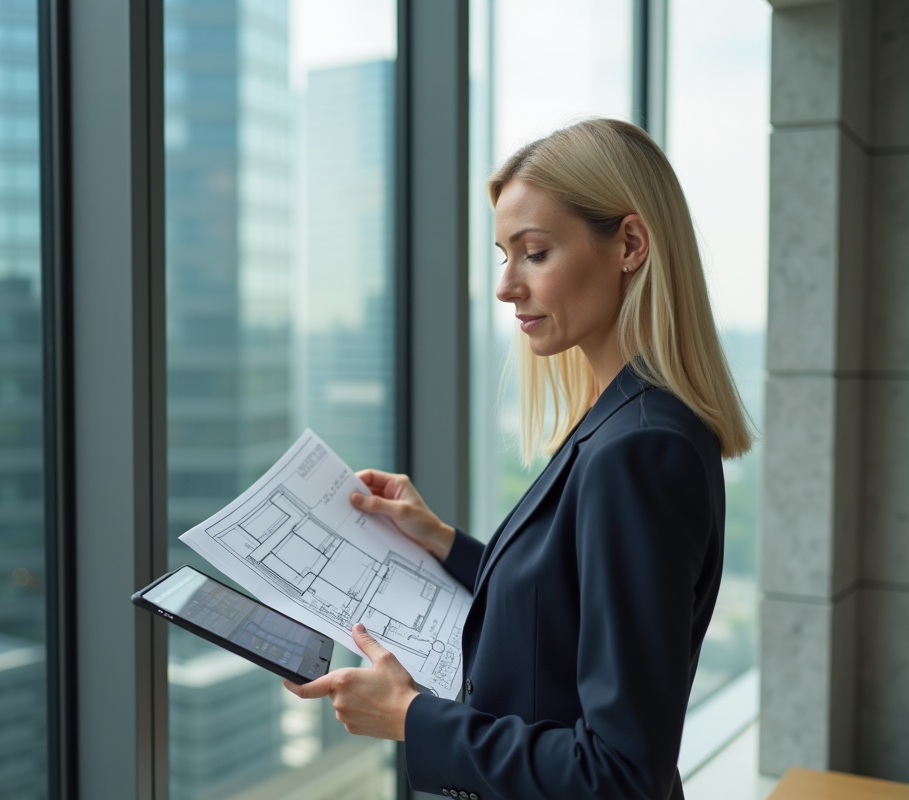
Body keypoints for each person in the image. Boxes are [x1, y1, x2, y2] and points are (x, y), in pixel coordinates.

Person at [282, 118, 753, 800]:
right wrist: (442, 542)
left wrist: (412, 719)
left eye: (534, 253)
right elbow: (567, 607)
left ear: (628, 244)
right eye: (505, 255)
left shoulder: (640, 449)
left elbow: (618, 774)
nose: (506, 287)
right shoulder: (624, 418)